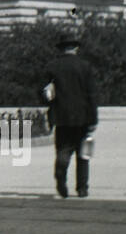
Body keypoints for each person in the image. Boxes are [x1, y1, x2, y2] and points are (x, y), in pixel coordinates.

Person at [42, 33, 99, 199]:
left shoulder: (52, 67)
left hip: (61, 117)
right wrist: (94, 119)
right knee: (84, 154)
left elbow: (44, 94)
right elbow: (92, 95)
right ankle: (82, 188)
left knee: (63, 150)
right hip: (83, 117)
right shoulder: (85, 66)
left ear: (61, 48)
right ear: (76, 47)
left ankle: (61, 175)